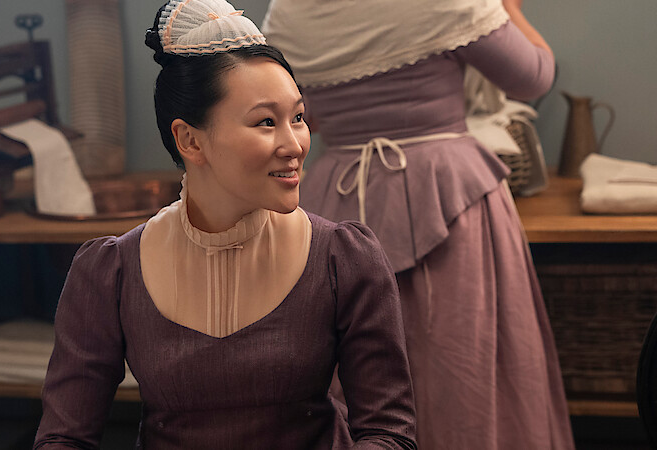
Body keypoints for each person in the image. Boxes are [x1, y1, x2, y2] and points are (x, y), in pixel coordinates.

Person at [33, 1, 417, 448]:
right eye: (266, 123)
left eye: (298, 117)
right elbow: (64, 438)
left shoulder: (345, 259)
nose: (294, 144)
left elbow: (388, 433)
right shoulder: (112, 271)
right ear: (190, 140)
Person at [262, 0, 574, 449]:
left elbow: (300, 115)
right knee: (460, 363)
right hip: (447, 196)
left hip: (337, 200)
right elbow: (532, 77)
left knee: (351, 372)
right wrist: (509, 8)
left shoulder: (289, 10)